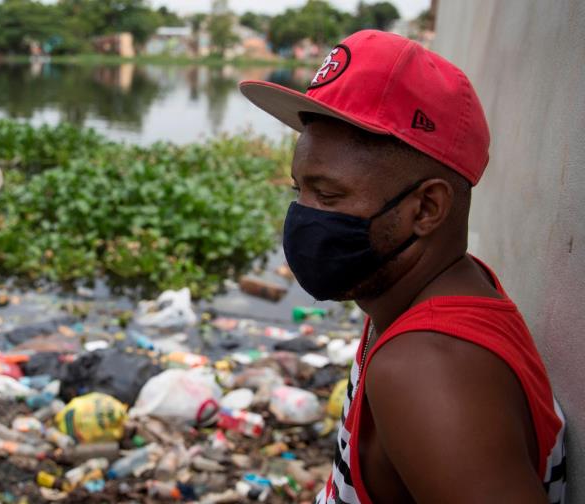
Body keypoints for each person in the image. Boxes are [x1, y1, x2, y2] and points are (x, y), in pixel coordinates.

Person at [241, 30, 566, 504]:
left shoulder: (426, 371)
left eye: (328, 195)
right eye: (300, 191)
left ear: (426, 208)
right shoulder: (431, 296)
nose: (304, 217)